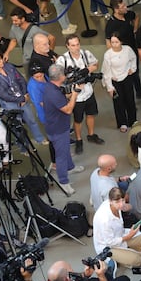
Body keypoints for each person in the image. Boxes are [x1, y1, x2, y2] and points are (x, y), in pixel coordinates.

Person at [0, 51, 46, 145]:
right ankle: (23, 146)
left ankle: (39, 138)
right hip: (9, 103)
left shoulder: (9, 66)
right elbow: (2, 94)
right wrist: (21, 99)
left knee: (31, 120)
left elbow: (20, 79)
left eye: (0, 58)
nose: (1, 62)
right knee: (17, 126)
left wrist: (25, 94)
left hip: (22, 97)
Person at [43, 64, 83, 194]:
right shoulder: (53, 93)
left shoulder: (51, 86)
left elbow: (61, 100)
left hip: (60, 126)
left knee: (65, 148)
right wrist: (75, 94)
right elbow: (68, 109)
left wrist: (69, 95)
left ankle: (70, 167)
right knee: (60, 155)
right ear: (61, 77)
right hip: (58, 128)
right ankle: (63, 181)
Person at [92, 187, 141, 268]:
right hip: (108, 245)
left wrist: (128, 206)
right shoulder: (104, 220)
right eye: (117, 202)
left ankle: (128, 252)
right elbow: (110, 242)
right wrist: (129, 236)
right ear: (110, 201)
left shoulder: (114, 205)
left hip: (120, 234)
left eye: (123, 200)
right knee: (138, 260)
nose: (121, 204)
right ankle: (118, 259)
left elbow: (125, 206)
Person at [101, 34, 138, 133]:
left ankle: (133, 120)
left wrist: (132, 68)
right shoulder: (108, 54)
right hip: (115, 80)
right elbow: (106, 71)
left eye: (116, 42)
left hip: (126, 78)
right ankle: (122, 123)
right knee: (118, 102)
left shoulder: (127, 50)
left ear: (121, 42)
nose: (114, 44)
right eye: (112, 42)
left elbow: (133, 58)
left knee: (130, 100)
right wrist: (110, 87)